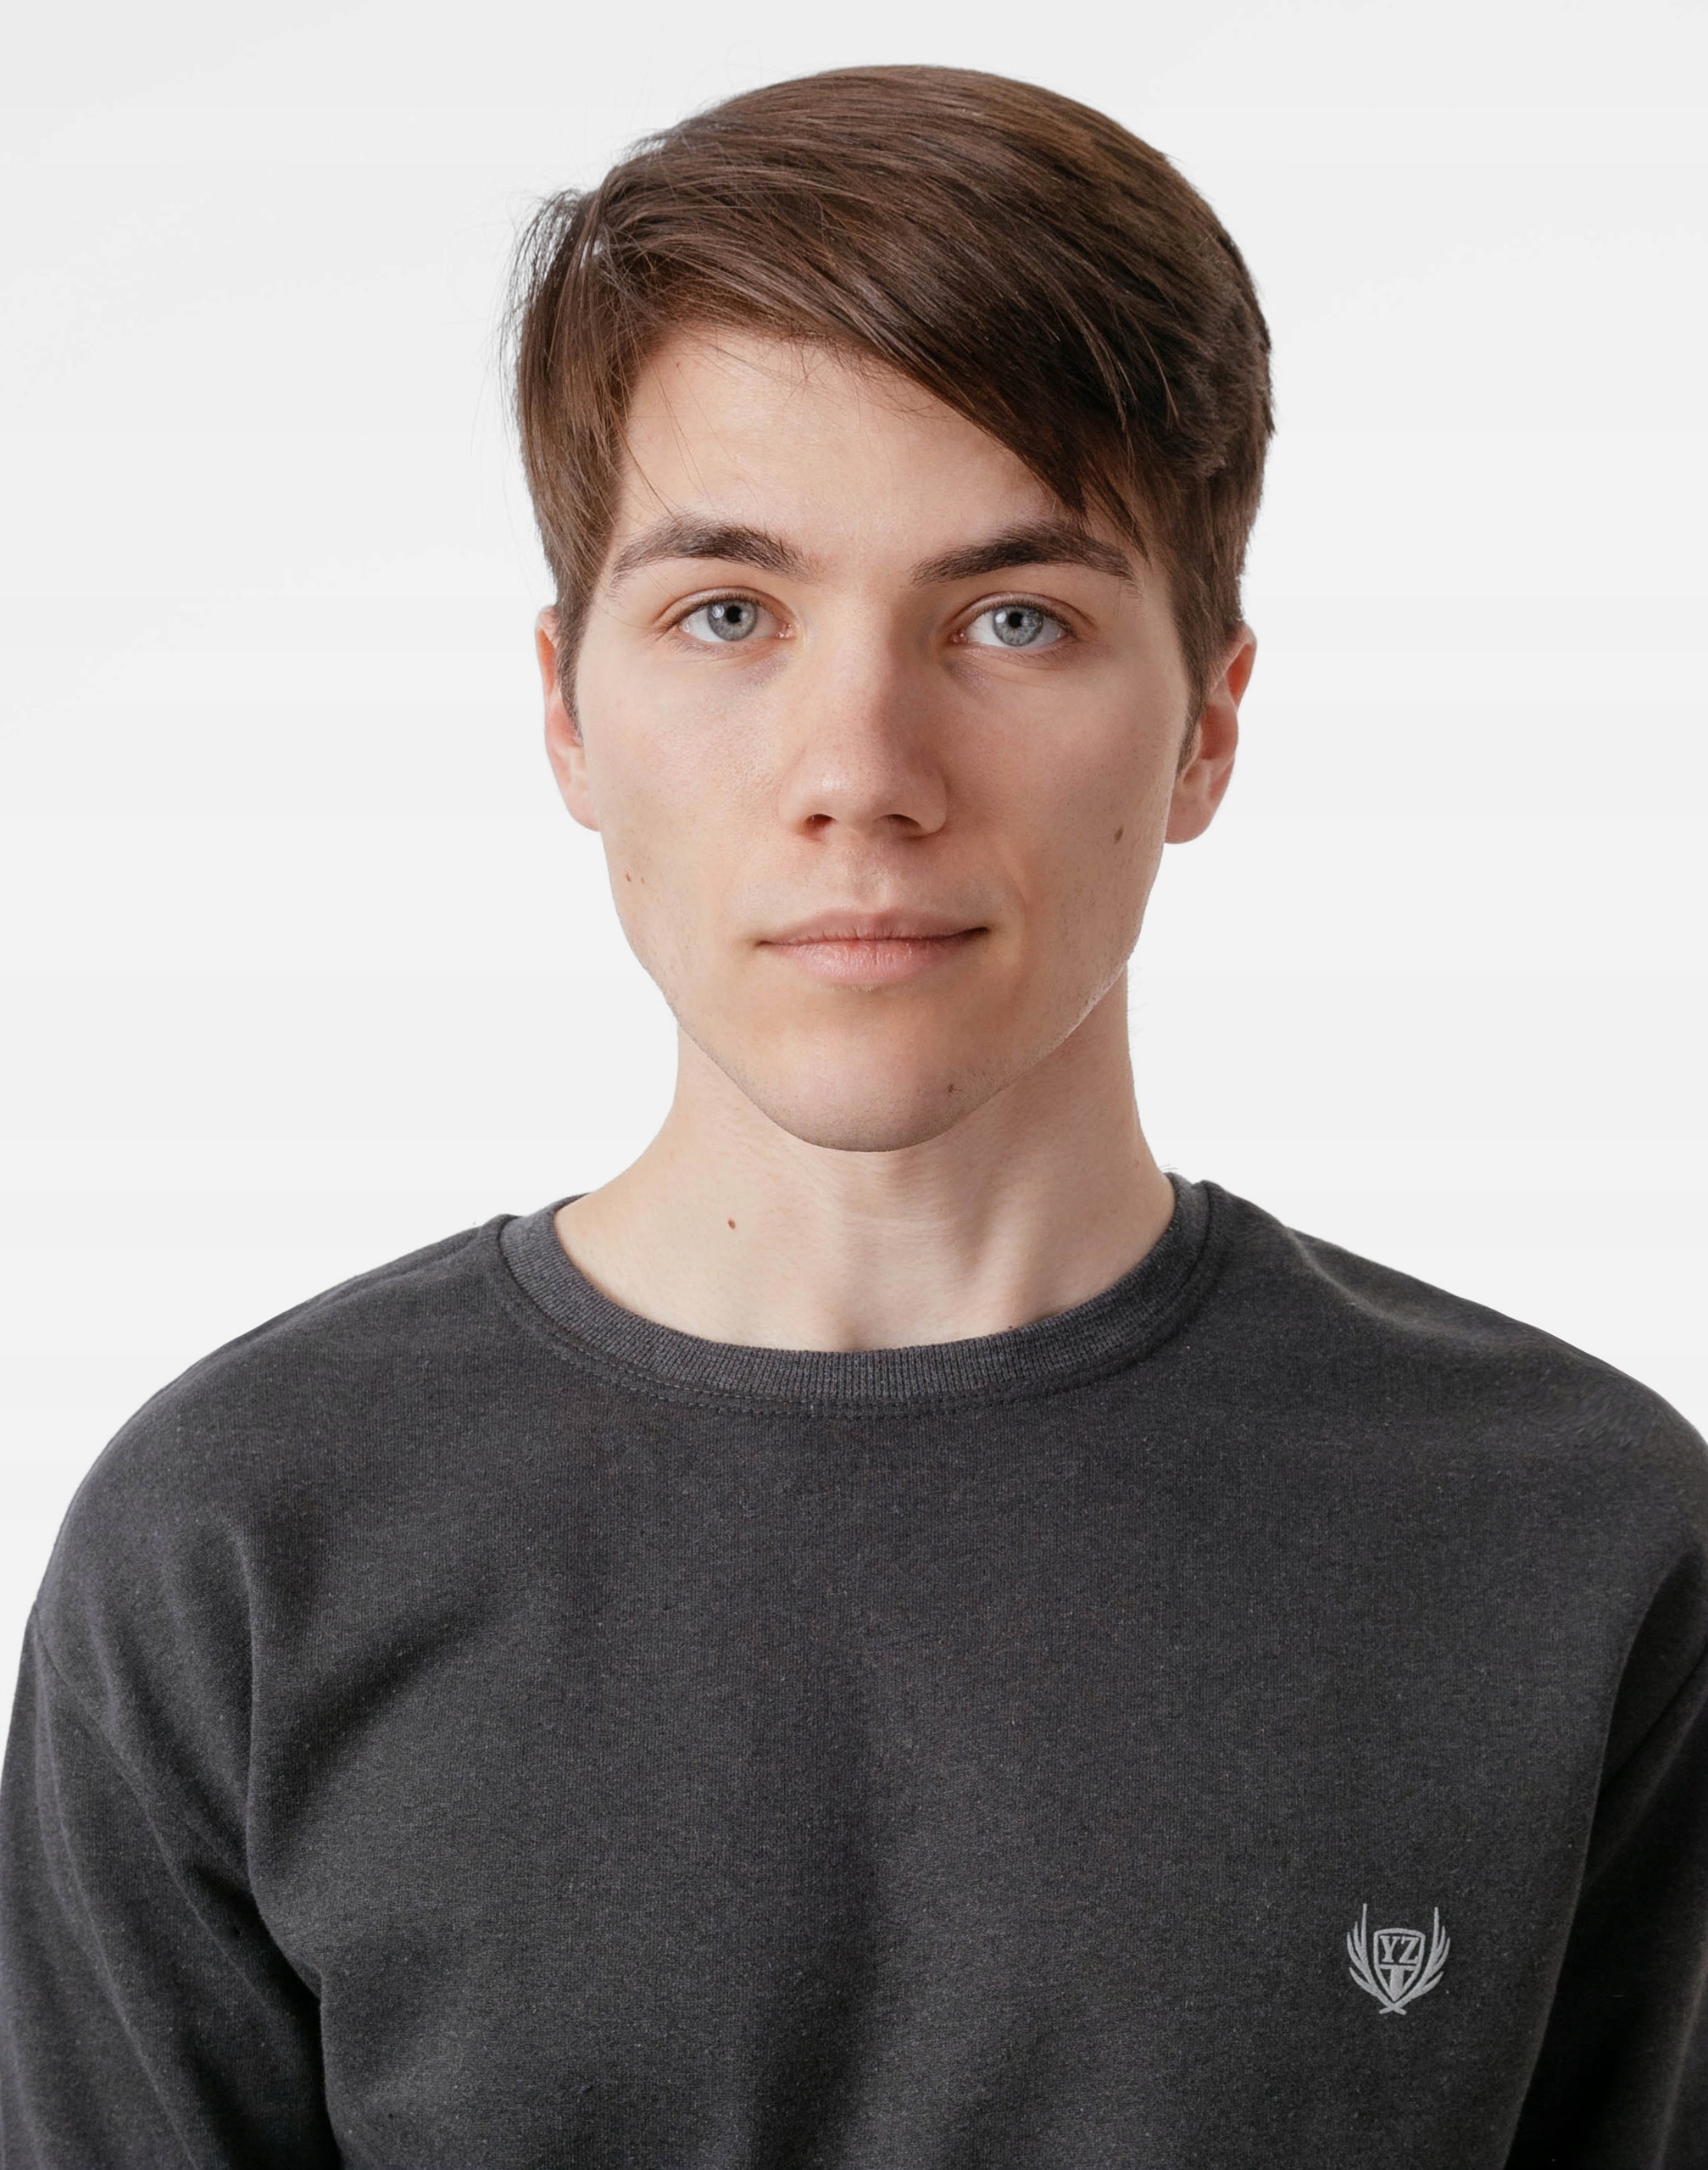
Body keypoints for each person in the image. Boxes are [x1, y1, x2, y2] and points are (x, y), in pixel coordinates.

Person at [1, 63, 1703, 2170]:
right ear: (566, 712)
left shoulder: (1576, 1544)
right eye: (730, 613)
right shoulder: (237, 1552)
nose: (862, 768)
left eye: (1013, 617)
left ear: (1206, 725)